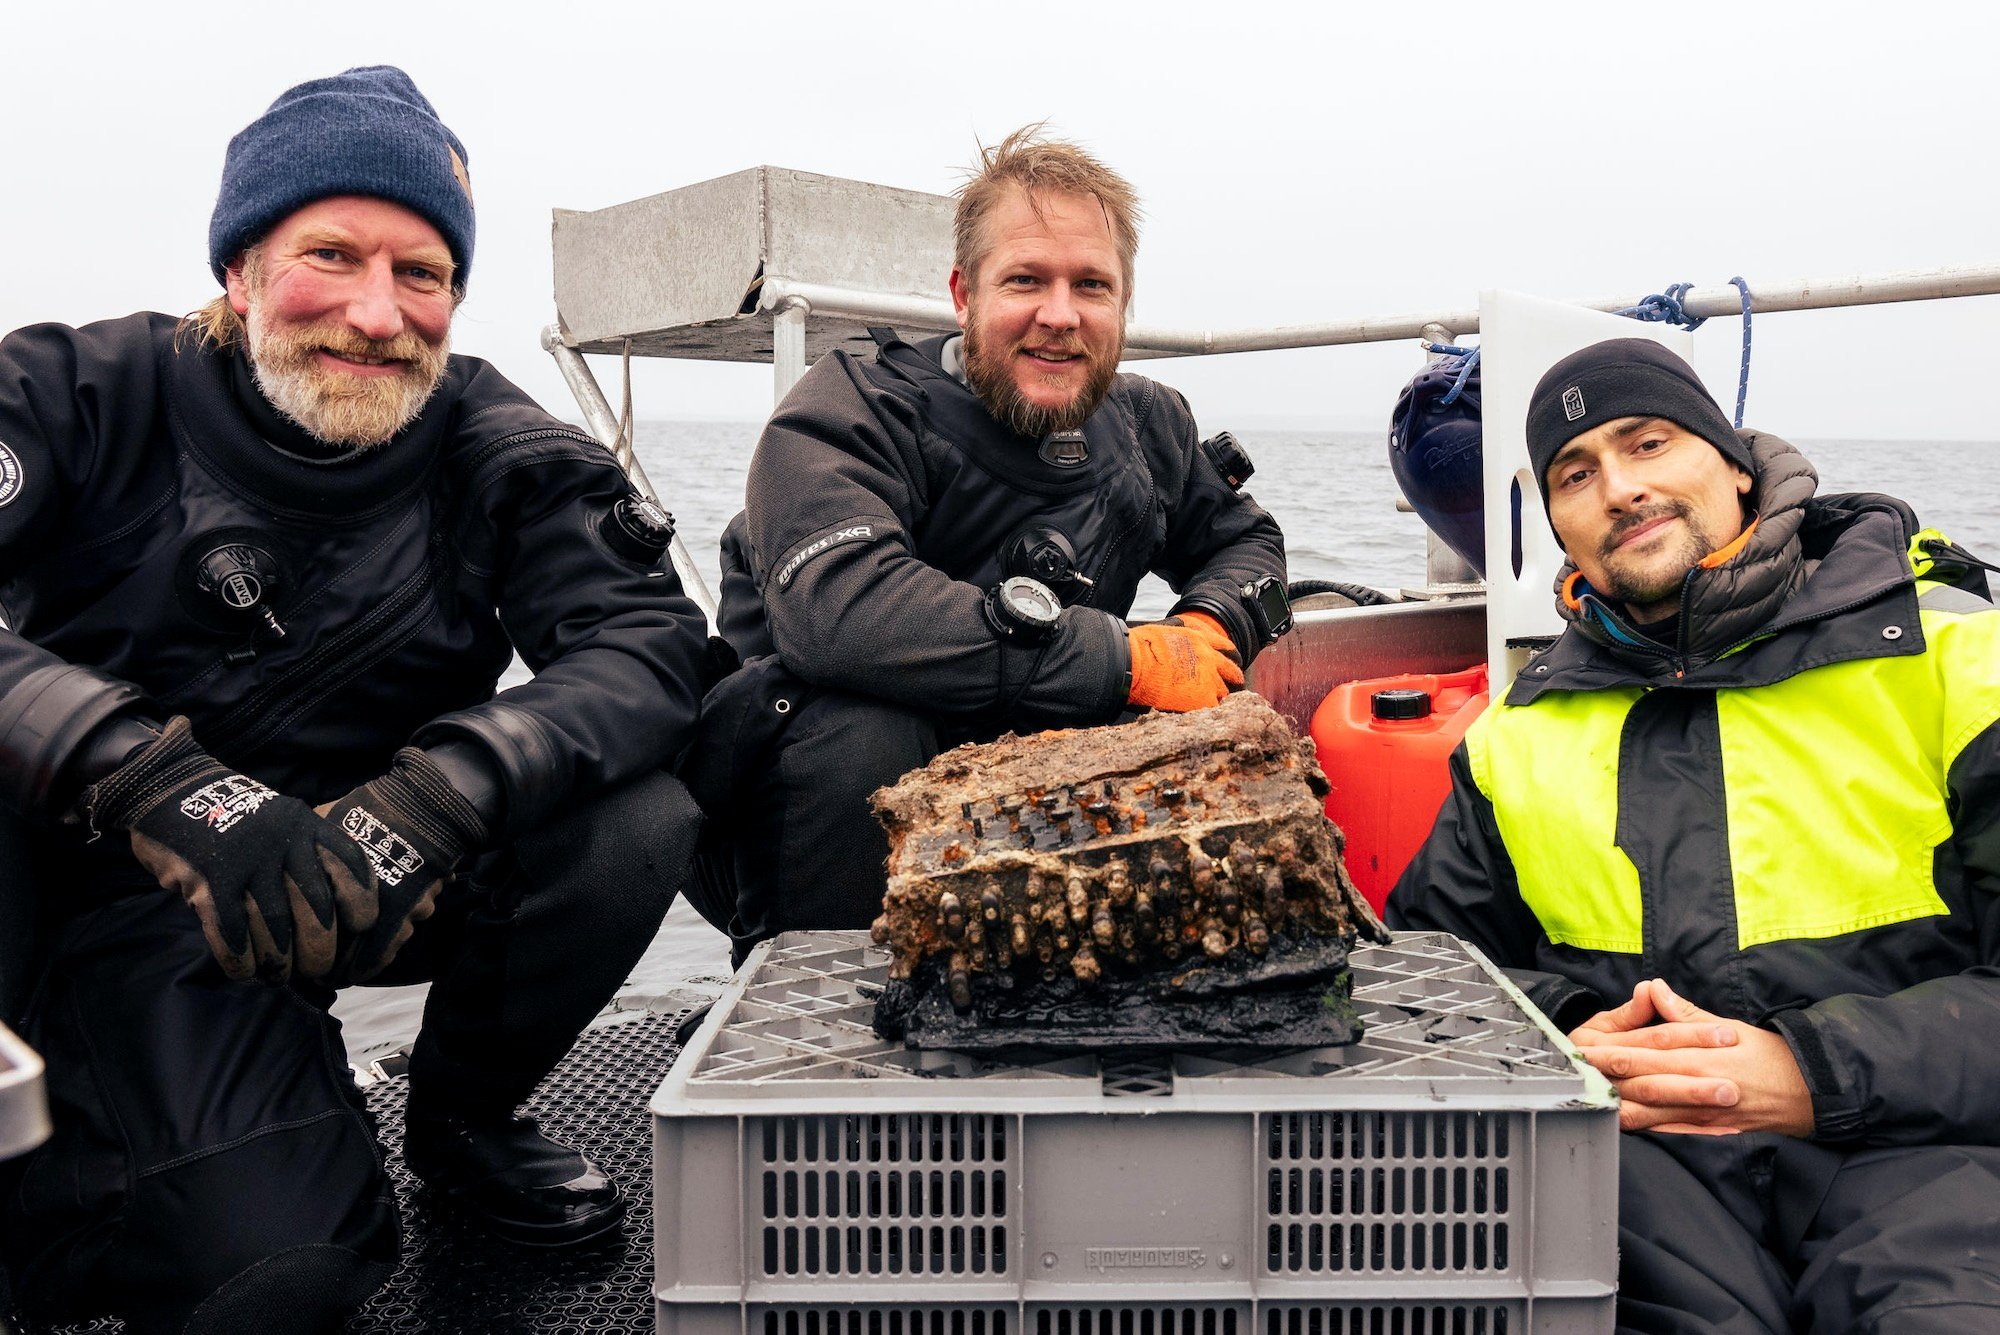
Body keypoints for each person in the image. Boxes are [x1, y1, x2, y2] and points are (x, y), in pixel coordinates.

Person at [0, 68, 708, 1333]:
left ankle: (462, 1119)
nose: (379, 315)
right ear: (240, 268)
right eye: (332, 254)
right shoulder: (77, 391)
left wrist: (444, 792)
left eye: (422, 273)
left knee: (633, 813)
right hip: (82, 884)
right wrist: (150, 782)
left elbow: (648, 640)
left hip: (340, 887)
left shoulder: (493, 440)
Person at [1389, 337, 2000, 1333]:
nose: (1618, 489)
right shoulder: (1515, 737)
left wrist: (1814, 1071)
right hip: (1643, 1172)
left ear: (1732, 464)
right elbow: (1425, 976)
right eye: (1573, 474)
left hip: (1934, 1158)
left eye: (1647, 443)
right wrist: (1563, 1030)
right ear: (1556, 527)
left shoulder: (1956, 663)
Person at [693, 126, 1288, 955]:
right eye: (1025, 280)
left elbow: (1248, 545)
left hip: (1027, 781)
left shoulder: (1147, 424)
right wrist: (1123, 660)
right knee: (865, 733)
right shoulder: (845, 410)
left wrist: (1207, 630)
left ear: (1122, 305)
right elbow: (842, 611)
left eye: (1091, 285)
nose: (1059, 314)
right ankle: (792, 994)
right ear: (963, 293)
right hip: (798, 793)